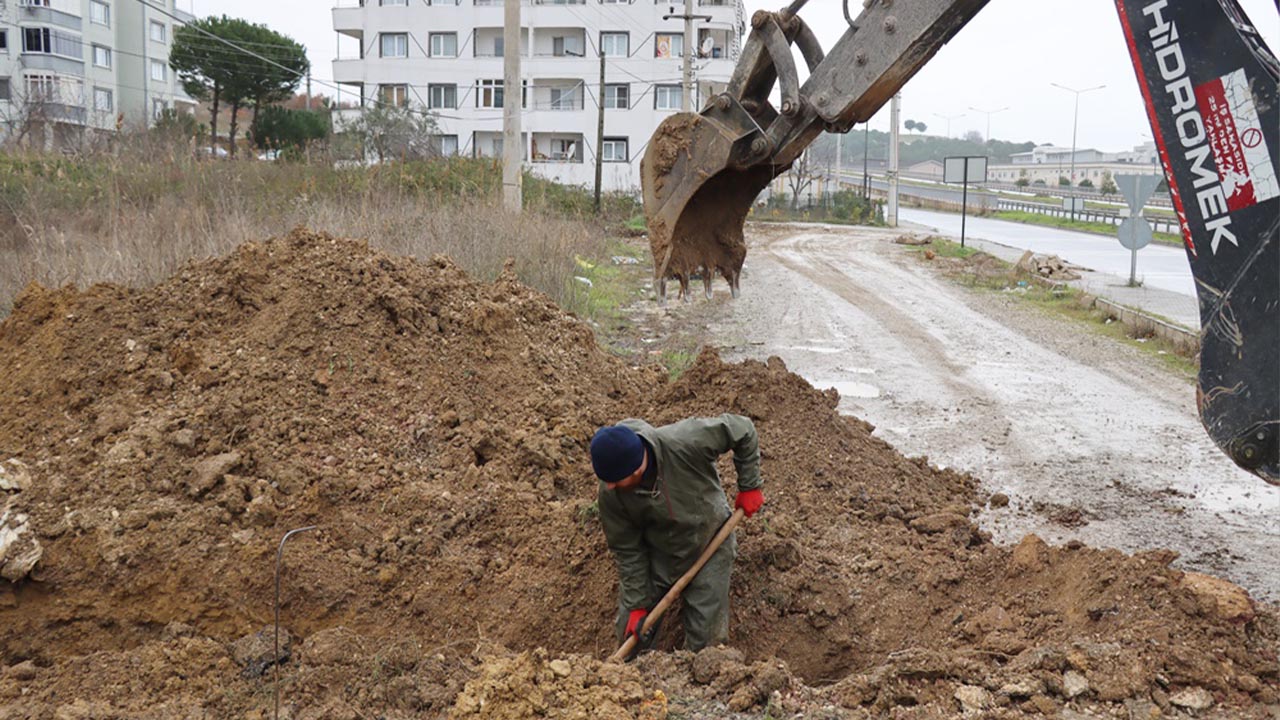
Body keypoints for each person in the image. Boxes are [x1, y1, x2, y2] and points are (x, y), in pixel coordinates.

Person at [589, 414, 765, 654]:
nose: (609, 487)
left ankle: (700, 686)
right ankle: (627, 681)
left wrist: (750, 485)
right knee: (631, 634)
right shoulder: (611, 493)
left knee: (706, 645)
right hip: (658, 556)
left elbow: (743, 429)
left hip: (710, 542)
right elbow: (627, 551)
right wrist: (637, 605)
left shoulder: (684, 442)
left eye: (615, 481)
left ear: (636, 468)